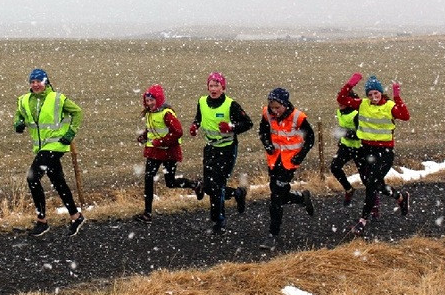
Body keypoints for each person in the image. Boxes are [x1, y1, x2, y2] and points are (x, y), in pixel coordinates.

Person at [14, 68, 86, 237]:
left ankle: (42, 221)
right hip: (41, 147)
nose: (35, 84)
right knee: (58, 181)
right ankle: (76, 216)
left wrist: (70, 134)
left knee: (32, 177)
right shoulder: (24, 100)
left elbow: (77, 112)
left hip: (56, 145)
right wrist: (18, 123)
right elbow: (19, 116)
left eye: (38, 81)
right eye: (32, 82)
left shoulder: (57, 98)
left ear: (45, 82)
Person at [337, 74, 411, 236]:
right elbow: (342, 98)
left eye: (376, 94)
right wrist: (350, 84)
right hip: (366, 151)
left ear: (380, 93)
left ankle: (363, 220)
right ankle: (400, 197)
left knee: (371, 184)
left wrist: (397, 96)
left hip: (384, 153)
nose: (373, 97)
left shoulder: (389, 106)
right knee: (375, 184)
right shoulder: (362, 104)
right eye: (370, 94)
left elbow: (405, 116)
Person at [189, 72, 254, 235]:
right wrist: (194, 126)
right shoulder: (202, 102)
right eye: (211, 85)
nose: (213, 89)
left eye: (217, 85)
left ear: (223, 87)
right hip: (210, 148)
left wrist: (231, 127)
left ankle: (219, 222)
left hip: (227, 148)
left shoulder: (231, 105)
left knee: (217, 186)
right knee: (210, 187)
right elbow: (199, 117)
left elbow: (248, 123)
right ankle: (238, 193)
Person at [257, 87, 315, 250]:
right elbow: (262, 131)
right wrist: (267, 144)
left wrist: (300, 155)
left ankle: (272, 235)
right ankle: (300, 198)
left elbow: (310, 138)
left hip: (289, 162)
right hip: (274, 160)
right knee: (276, 191)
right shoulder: (267, 113)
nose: (274, 111)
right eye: (272, 107)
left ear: (285, 104)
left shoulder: (298, 117)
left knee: (276, 197)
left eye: (277, 107)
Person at [134, 84, 200, 223]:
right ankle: (147, 214)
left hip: (169, 151)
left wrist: (162, 142)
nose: (149, 103)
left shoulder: (167, 113)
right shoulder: (149, 113)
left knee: (170, 182)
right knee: (148, 179)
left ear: (159, 100)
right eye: (147, 100)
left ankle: (195, 185)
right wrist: (145, 136)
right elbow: (153, 128)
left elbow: (178, 132)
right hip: (154, 151)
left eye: (152, 100)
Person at [330, 90, 364, 206]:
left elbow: (360, 134)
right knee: (335, 167)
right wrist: (341, 140)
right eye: (338, 101)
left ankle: (374, 207)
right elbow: (343, 127)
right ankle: (349, 189)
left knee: (366, 179)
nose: (339, 103)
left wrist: (344, 133)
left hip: (360, 149)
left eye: (342, 101)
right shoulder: (340, 112)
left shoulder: (357, 114)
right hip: (346, 147)